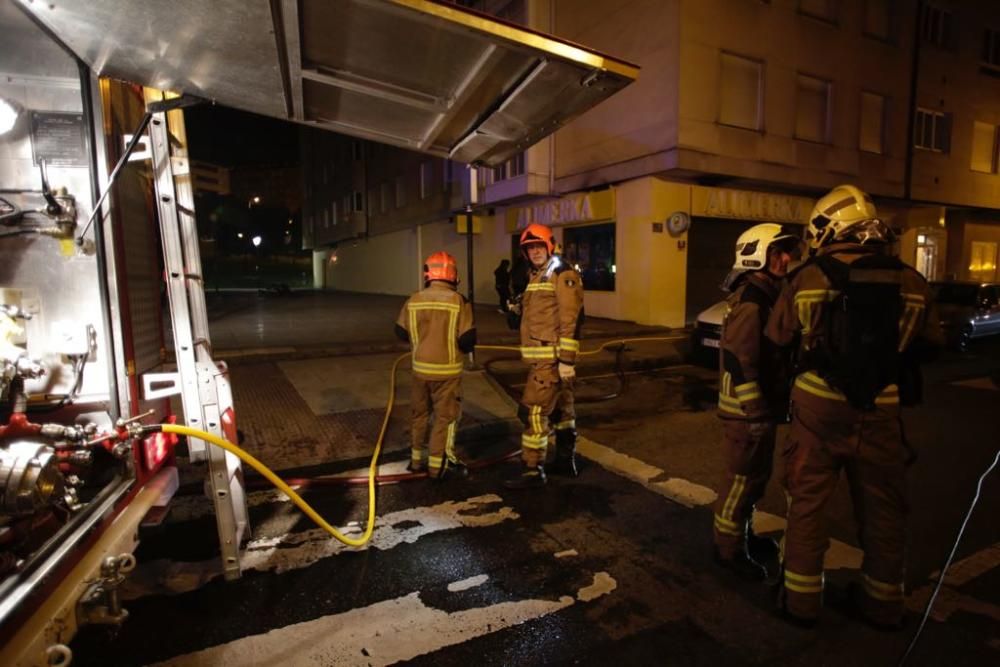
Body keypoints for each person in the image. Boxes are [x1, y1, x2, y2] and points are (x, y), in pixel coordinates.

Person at [765, 185, 943, 629]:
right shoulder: (912, 282)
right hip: (881, 409)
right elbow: (932, 346)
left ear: (827, 229)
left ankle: (801, 603)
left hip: (817, 409)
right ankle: (883, 605)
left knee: (808, 504)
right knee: (884, 508)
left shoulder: (807, 277)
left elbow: (777, 337)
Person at [713, 223, 801, 580]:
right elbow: (739, 357)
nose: (785, 259)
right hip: (747, 413)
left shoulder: (766, 292)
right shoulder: (753, 300)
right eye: (777, 252)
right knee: (741, 482)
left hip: (757, 410)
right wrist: (755, 410)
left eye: (786, 252)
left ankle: (743, 536)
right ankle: (727, 550)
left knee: (755, 479)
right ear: (757, 254)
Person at [505, 223, 584, 489]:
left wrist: (566, 361)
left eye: (539, 246)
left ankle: (531, 469)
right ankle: (565, 461)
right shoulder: (538, 274)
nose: (535, 251)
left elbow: (569, 318)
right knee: (563, 411)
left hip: (551, 363)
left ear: (549, 246)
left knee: (534, 414)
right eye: (530, 248)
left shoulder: (561, 273)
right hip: (546, 361)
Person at [395, 251, 476, 480]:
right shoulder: (459, 301)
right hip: (447, 372)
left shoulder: (414, 299)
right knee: (445, 418)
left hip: (420, 371)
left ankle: (416, 461)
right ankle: (438, 466)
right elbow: (468, 341)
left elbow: (400, 331)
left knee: (419, 415)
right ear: (453, 274)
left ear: (428, 274)